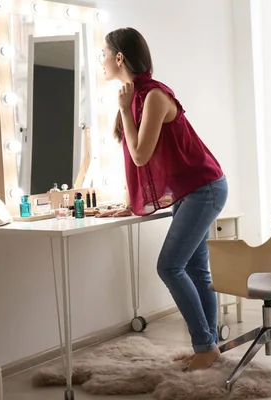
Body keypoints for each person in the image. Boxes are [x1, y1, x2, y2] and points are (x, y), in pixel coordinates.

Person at [95, 27, 227, 371]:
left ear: (119, 57)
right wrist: (130, 199)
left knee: (169, 266)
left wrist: (124, 109)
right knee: (197, 270)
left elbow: (140, 155)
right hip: (191, 192)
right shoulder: (137, 96)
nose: (102, 61)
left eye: (104, 54)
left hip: (204, 187)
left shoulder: (151, 96)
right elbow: (149, 162)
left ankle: (204, 346)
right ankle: (208, 348)